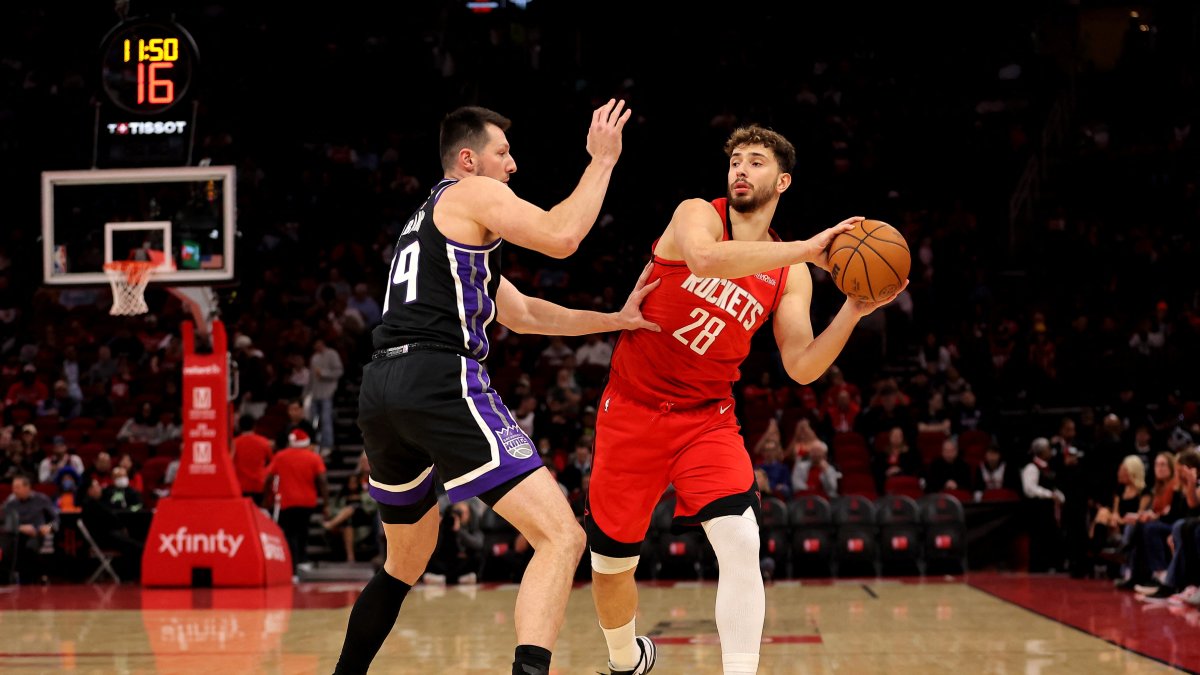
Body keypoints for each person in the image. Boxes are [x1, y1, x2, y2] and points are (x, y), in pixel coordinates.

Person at [332, 100, 660, 675]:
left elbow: (526, 313)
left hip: (382, 388)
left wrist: (615, 319)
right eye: (502, 153)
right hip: (438, 377)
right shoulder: (470, 193)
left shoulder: (430, 222)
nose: (512, 165)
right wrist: (603, 161)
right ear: (468, 159)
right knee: (560, 537)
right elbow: (562, 236)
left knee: (404, 562)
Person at [586, 124, 905, 675]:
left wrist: (854, 309)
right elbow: (706, 260)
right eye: (736, 160)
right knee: (612, 565)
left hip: (706, 420)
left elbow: (802, 366)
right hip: (632, 410)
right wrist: (808, 248)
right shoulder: (697, 215)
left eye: (756, 161)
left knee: (740, 539)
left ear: (782, 180)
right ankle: (625, 661)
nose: (741, 169)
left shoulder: (793, 274)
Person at [263, 429, 328, 579]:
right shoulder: (314, 457)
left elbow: (268, 478)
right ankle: (303, 561)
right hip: (307, 502)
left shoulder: (280, 456)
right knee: (303, 531)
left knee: (290, 534)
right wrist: (326, 503)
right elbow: (323, 480)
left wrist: (267, 499)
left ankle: (293, 567)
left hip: (287, 502)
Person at [231, 414, 274, 503]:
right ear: (254, 426)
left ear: (239, 426)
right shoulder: (264, 442)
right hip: (258, 485)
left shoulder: (234, 443)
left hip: (241, 485)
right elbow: (271, 462)